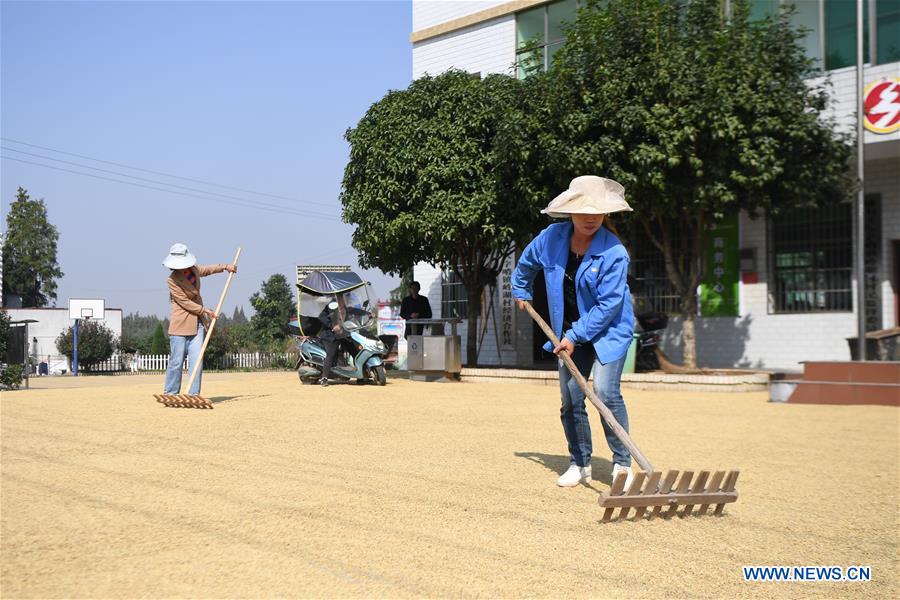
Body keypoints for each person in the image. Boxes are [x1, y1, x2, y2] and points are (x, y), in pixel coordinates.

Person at [512, 176, 636, 489]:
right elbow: (526, 265)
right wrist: (521, 290)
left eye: (597, 211)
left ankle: (622, 464)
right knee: (570, 399)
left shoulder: (615, 253)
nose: (591, 217)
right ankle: (580, 462)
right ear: (570, 212)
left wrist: (575, 335)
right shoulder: (552, 237)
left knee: (606, 394)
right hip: (566, 331)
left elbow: (608, 307)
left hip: (608, 331)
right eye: (583, 210)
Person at [161, 243, 236, 396]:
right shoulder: (172, 280)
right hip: (180, 324)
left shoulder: (194, 269)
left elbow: (207, 269)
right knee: (176, 361)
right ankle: (170, 392)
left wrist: (225, 267)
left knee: (197, 361)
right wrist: (204, 310)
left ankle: (193, 394)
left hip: (197, 324)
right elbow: (184, 302)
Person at [317, 295, 356, 386]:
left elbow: (355, 314)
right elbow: (321, 316)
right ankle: (324, 378)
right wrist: (332, 326)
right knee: (331, 353)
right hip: (329, 335)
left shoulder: (346, 309)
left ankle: (363, 374)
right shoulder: (330, 306)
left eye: (344, 297)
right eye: (341, 297)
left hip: (342, 334)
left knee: (354, 349)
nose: (344, 299)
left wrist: (367, 314)